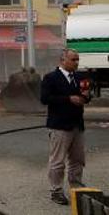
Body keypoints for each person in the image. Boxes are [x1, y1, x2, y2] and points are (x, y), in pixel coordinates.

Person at [40, 49, 90, 206]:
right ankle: (56, 190)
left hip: (77, 125)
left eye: (77, 59)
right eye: (74, 59)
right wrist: (68, 98)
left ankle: (76, 186)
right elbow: (45, 99)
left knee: (77, 159)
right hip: (59, 125)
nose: (77, 62)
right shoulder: (50, 78)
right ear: (63, 60)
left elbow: (84, 97)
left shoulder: (79, 77)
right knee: (58, 161)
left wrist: (86, 97)